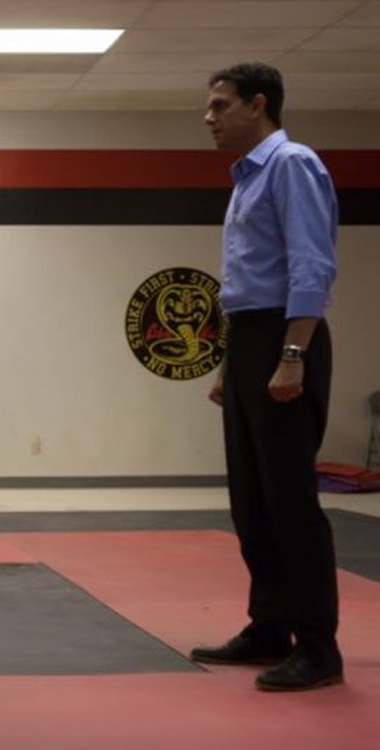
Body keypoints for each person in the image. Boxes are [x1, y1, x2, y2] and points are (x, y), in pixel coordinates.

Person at [190, 63, 342, 691]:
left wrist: (293, 354)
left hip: (287, 337)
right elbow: (245, 285)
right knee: (251, 501)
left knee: (289, 501)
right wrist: (232, 361)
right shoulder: (245, 178)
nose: (209, 117)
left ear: (258, 105)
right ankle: (269, 627)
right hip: (251, 339)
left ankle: (319, 648)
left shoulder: (291, 164)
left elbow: (312, 266)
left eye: (220, 105)